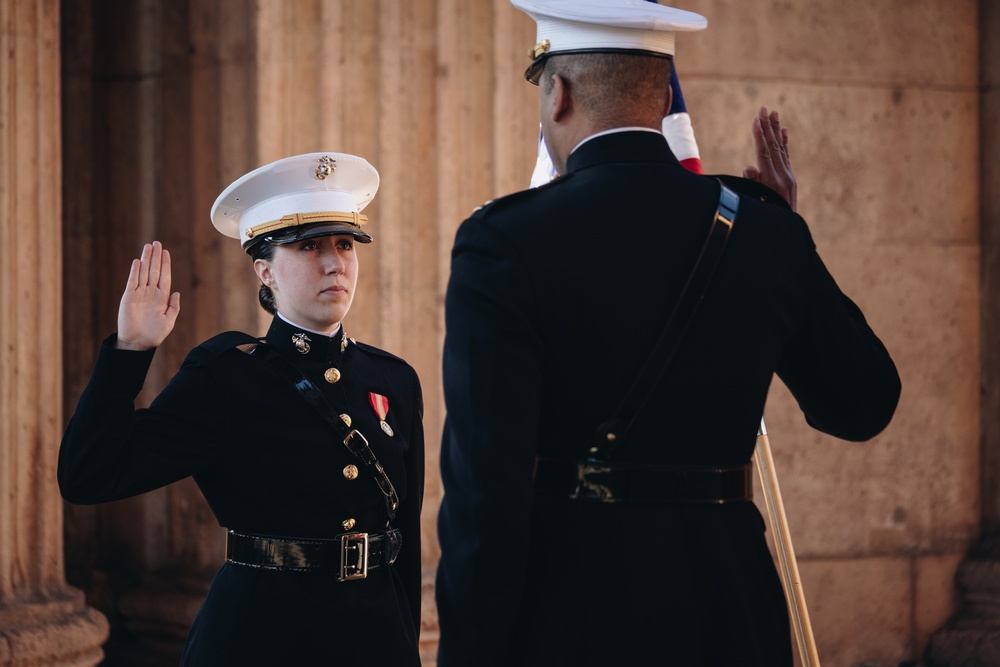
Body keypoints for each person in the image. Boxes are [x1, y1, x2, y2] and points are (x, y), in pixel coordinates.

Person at [435, 1, 901, 665]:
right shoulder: (765, 233)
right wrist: (791, 243)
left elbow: (486, 498)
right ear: (661, 97)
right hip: (734, 616)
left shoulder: (505, 242)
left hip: (578, 618)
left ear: (559, 94)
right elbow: (863, 403)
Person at [58, 152, 425, 665]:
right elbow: (88, 475)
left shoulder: (393, 379)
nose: (334, 262)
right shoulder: (227, 376)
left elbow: (402, 533)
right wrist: (130, 351)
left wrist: (404, 643)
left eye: (345, 244)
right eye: (307, 246)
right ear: (265, 271)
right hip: (262, 637)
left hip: (375, 636)